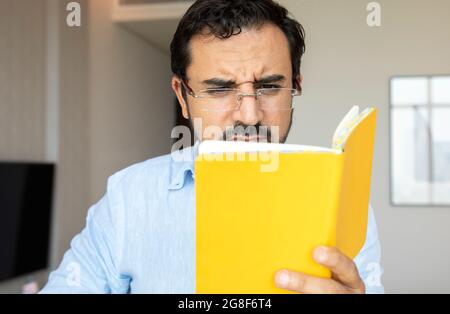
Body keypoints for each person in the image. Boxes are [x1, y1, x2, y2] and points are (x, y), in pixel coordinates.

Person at [41, 0, 384, 294]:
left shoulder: (342, 200)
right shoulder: (128, 199)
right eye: (220, 89)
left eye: (268, 86)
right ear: (182, 96)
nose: (249, 115)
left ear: (294, 87)